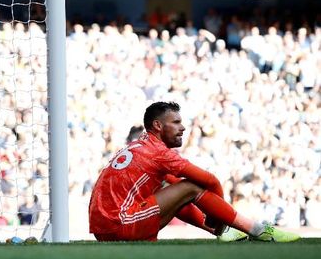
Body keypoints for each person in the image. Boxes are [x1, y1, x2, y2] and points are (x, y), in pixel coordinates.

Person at [88, 101, 300, 243]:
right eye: (176, 122)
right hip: (120, 225)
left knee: (172, 189)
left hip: (105, 229)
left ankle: (222, 231)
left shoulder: (139, 146)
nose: (183, 128)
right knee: (189, 187)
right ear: (158, 126)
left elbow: (172, 187)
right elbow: (210, 180)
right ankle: (256, 230)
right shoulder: (158, 152)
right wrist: (218, 216)